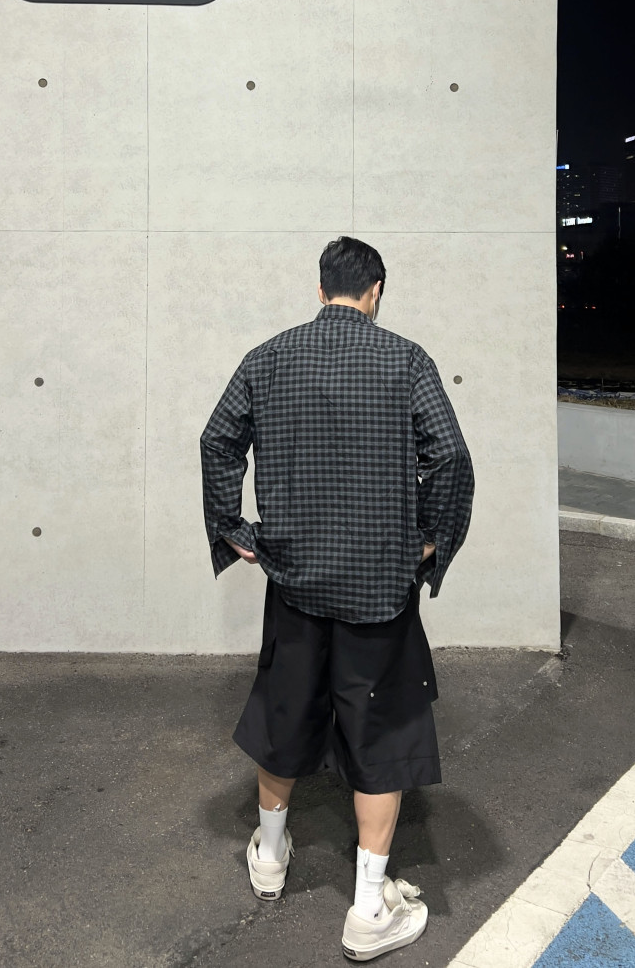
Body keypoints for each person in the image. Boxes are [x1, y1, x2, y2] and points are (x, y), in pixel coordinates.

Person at [200, 236, 474, 961]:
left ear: (321, 289)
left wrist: (233, 529)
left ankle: (269, 855)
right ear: (375, 291)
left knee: (285, 707)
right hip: (378, 588)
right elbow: (449, 455)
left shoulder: (268, 357)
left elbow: (217, 440)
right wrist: (430, 540)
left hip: (295, 579)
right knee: (380, 732)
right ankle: (368, 907)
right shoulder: (405, 360)